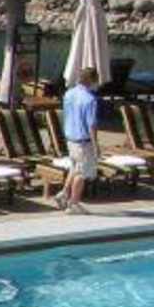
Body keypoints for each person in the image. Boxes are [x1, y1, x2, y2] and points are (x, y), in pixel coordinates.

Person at [57, 66, 101, 215]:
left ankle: (64, 193)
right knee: (81, 173)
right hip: (83, 141)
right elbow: (91, 125)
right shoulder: (90, 99)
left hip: (70, 138)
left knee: (75, 166)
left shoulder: (69, 93)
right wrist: (96, 146)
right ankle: (73, 203)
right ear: (92, 81)